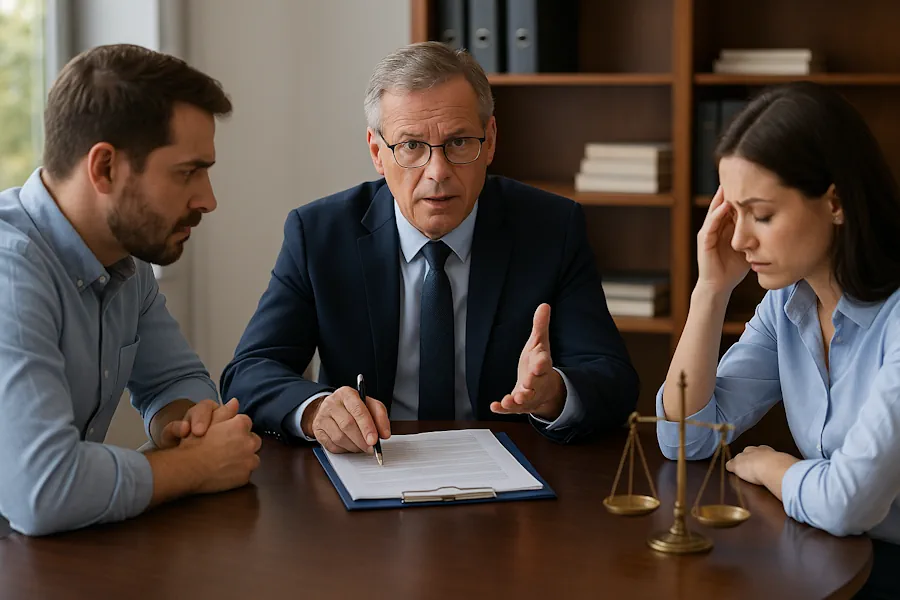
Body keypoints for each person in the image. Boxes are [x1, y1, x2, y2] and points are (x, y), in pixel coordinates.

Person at [221, 42, 638, 452]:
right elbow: (250, 372)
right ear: (377, 152)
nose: (437, 173)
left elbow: (613, 378)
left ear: (490, 140)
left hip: (509, 472)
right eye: (411, 146)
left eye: (458, 143)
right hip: (374, 466)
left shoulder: (550, 228)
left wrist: (555, 395)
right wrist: (315, 411)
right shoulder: (319, 235)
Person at [0, 44, 262, 537]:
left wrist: (187, 424)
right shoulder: (9, 274)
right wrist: (198, 466)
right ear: (105, 168)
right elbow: (43, 491)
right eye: (187, 172)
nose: (208, 200)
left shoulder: (124, 260)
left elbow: (174, 380)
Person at [655, 82, 900, 599]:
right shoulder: (789, 304)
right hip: (836, 556)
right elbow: (684, 439)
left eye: (761, 215)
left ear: (834, 202)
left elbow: (848, 502)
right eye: (734, 212)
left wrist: (773, 465)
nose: (740, 240)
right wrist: (710, 291)